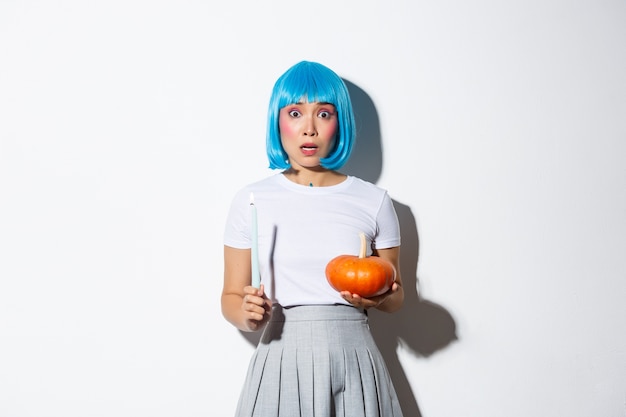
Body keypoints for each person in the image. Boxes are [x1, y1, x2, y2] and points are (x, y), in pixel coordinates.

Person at [221, 60, 404, 417]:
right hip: (281, 353)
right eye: (294, 112)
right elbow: (230, 296)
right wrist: (246, 314)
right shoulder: (250, 200)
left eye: (323, 113)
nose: (309, 129)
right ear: (278, 121)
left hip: (353, 355)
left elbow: (396, 297)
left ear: (340, 122)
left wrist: (377, 297)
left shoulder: (374, 201)